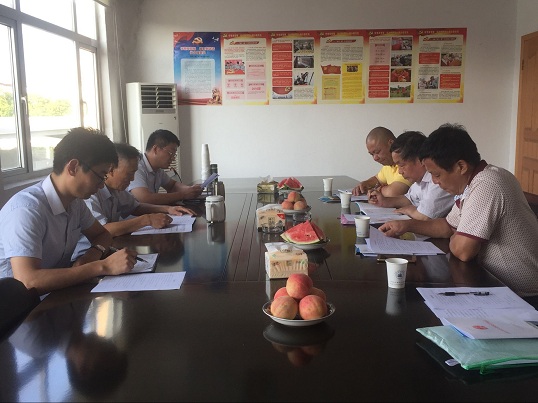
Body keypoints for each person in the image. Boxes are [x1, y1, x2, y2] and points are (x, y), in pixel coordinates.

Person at [379, 123, 538, 296]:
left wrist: (456, 236)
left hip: (521, 294)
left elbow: (463, 251)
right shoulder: (472, 185)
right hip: (492, 282)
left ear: (461, 166)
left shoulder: (487, 184)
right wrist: (405, 226)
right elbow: (447, 226)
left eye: (437, 174)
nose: (434, 182)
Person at [0, 127, 138, 296]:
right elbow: (28, 281)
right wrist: (102, 266)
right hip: (20, 306)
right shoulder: (27, 210)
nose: (102, 184)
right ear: (73, 167)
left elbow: (102, 234)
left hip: (56, 292)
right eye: (100, 176)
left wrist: (91, 256)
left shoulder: (75, 203)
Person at [73, 143, 197, 259]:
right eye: (129, 174)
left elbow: (136, 207)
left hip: (108, 250)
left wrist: (168, 209)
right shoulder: (91, 194)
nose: (132, 179)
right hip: (86, 257)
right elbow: (103, 230)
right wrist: (146, 220)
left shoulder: (117, 190)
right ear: (110, 170)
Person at [367, 130, 453, 220]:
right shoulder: (420, 180)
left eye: (401, 165)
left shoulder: (438, 180)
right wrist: (384, 201)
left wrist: (409, 210)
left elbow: (424, 216)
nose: (399, 171)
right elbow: (409, 199)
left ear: (420, 160)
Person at [127, 129, 203, 204]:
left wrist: (190, 189)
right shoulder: (136, 167)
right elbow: (145, 198)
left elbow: (172, 186)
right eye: (171, 153)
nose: (173, 158)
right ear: (156, 149)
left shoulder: (158, 170)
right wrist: (183, 195)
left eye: (174, 155)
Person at [352, 126, 412, 197]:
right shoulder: (388, 165)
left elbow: (392, 193)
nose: (375, 158)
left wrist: (376, 190)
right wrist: (364, 184)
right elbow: (377, 179)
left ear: (391, 143)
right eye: (372, 154)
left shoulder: (405, 163)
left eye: (377, 152)